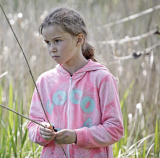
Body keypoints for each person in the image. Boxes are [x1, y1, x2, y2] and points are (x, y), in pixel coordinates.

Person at [27, 7, 124, 158]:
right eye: (47, 42)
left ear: (79, 39)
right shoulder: (45, 81)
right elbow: (32, 125)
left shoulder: (102, 78)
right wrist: (41, 131)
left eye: (57, 41)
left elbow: (115, 129)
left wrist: (77, 136)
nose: (52, 49)